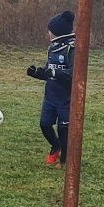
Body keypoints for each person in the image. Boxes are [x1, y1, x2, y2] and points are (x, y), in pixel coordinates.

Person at [28, 10, 75, 168]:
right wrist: (37, 73)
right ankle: (56, 146)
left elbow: (74, 75)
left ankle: (65, 161)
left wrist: (54, 73)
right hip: (50, 96)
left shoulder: (71, 49)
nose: (48, 33)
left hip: (66, 98)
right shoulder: (52, 48)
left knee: (64, 130)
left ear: (57, 32)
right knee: (44, 124)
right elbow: (50, 71)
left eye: (50, 31)